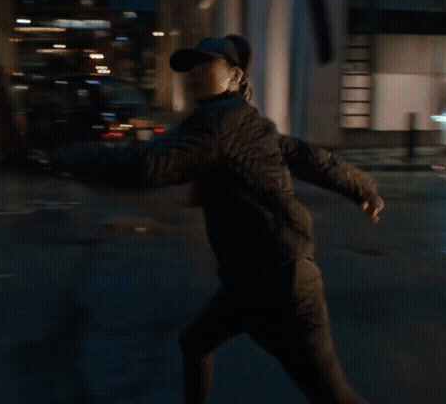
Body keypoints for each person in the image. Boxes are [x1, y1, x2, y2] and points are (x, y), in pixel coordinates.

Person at [52, 35, 383, 404]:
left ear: (234, 75)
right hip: (251, 282)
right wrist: (362, 186)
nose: (193, 73)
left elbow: (147, 166)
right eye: (190, 65)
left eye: (205, 64)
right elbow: (309, 157)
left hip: (279, 284)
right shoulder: (245, 121)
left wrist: (67, 155)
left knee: (332, 395)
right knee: (194, 343)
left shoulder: (217, 122)